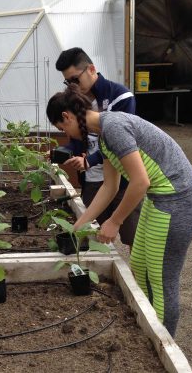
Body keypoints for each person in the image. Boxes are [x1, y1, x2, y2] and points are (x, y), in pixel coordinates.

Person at [46, 89, 192, 336]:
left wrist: (115, 221)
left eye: (61, 128)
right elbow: (110, 187)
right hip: (160, 199)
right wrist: (81, 223)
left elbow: (140, 182)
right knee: (140, 265)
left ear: (66, 116)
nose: (65, 135)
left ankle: (163, 343)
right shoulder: (103, 136)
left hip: (179, 202)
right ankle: (148, 328)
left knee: (160, 279)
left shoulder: (114, 128)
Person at [55, 47, 140, 249]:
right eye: (68, 82)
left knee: (135, 241)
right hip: (94, 180)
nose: (72, 86)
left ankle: (135, 278)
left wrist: (89, 160)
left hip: (124, 181)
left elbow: (122, 144)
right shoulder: (76, 102)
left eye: (75, 80)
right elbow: (78, 139)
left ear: (91, 69)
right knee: (94, 237)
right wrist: (68, 152)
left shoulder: (120, 97)